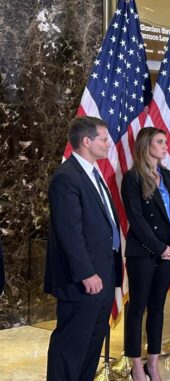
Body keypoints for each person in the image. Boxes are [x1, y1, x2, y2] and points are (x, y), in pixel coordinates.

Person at [45, 116, 123, 381]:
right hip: (82, 279)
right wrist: (86, 273)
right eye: (103, 139)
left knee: (91, 346)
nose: (108, 144)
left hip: (102, 274)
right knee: (71, 346)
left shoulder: (93, 174)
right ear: (86, 141)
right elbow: (70, 233)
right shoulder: (66, 177)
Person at [121, 128, 170, 381]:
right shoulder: (132, 177)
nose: (165, 146)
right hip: (143, 252)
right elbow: (135, 218)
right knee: (138, 308)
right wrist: (159, 248)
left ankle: (153, 364)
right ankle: (136, 365)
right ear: (146, 146)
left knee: (158, 308)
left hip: (167, 252)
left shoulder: (166, 175)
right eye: (160, 142)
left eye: (166, 142)